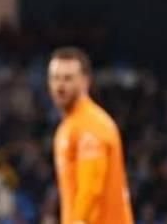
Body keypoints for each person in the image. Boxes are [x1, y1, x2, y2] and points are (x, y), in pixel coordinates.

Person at [48, 47, 134, 224]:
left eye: (68, 78)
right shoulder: (69, 126)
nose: (60, 86)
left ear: (85, 81)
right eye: (55, 78)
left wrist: (79, 220)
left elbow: (91, 187)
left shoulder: (92, 125)